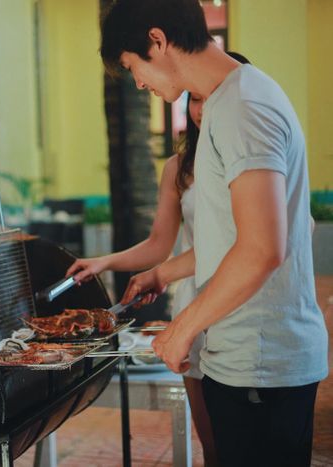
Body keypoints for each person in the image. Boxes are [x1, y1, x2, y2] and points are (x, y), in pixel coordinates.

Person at [97, 1, 328, 466]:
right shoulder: (231, 100)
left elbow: (262, 248)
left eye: (133, 66)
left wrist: (183, 328)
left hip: (260, 367)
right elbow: (231, 240)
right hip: (245, 360)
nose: (139, 83)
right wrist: (163, 274)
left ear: (157, 41)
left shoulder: (242, 106)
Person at [68, 52, 251, 465]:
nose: (203, 110)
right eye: (196, 101)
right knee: (213, 445)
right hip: (191, 303)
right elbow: (157, 244)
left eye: (210, 99)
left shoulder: (247, 155)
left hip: (238, 301)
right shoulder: (178, 167)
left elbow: (250, 244)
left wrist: (161, 272)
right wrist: (103, 263)